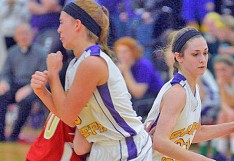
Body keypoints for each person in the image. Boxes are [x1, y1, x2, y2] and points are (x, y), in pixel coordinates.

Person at [30, 1, 152, 160]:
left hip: (127, 149)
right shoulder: (75, 64)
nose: (58, 29)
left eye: (61, 23)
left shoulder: (92, 62)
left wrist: (53, 75)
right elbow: (70, 117)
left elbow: (67, 116)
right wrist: (42, 92)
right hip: (102, 149)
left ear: (77, 25)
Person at [144, 27, 234, 161]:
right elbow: (160, 142)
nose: (202, 59)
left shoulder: (192, 88)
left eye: (205, 53)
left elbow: (197, 133)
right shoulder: (177, 92)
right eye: (195, 54)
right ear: (178, 57)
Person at [0, 23, 46, 142]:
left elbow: (44, 75)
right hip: (15, 85)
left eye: (26, 33)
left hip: (33, 86)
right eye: (21, 34)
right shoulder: (12, 52)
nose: (24, 36)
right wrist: (4, 82)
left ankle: (13, 136)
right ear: (15, 37)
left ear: (32, 34)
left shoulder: (41, 52)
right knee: (1, 95)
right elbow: (5, 73)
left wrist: (30, 87)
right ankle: (1, 136)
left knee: (26, 100)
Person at [113, 37, 163, 121]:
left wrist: (126, 71)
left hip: (150, 100)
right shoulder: (120, 66)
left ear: (133, 52)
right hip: (134, 101)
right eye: (119, 52)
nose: (122, 55)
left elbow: (138, 93)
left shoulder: (143, 65)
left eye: (125, 52)